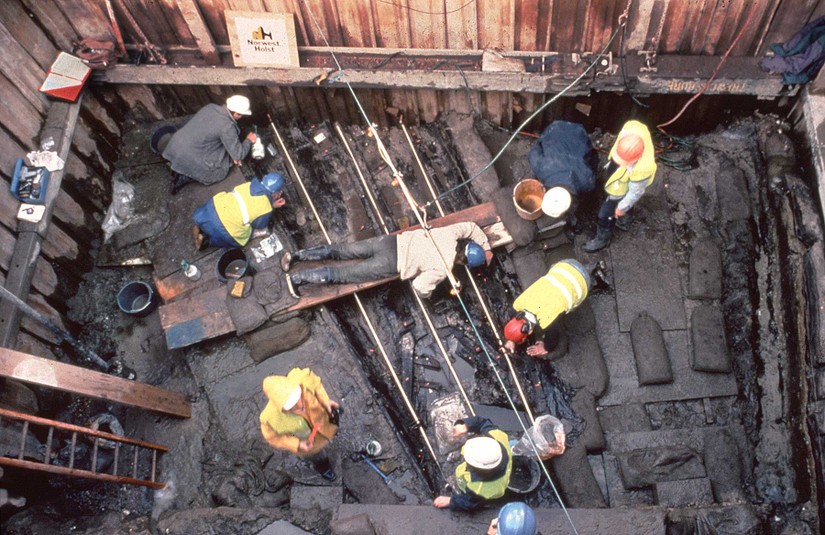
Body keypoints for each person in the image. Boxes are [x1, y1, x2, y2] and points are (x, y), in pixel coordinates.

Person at [281, 221, 494, 298]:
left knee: (340, 251)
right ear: (463, 263)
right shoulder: (444, 268)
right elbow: (420, 287)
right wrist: (429, 294)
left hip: (388, 242)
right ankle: (297, 279)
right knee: (342, 274)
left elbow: (472, 227)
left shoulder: (451, 234)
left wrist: (485, 246)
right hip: (392, 264)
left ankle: (296, 255)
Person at [502, 259, 605, 358]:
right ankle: (589, 267)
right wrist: (511, 339)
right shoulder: (519, 303)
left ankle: (594, 279)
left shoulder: (547, 321)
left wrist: (545, 347)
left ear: (529, 332)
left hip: (582, 282)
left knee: (574, 300)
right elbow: (513, 315)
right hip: (566, 265)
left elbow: (553, 338)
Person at [582, 120, 657, 252]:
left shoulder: (643, 169)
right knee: (614, 173)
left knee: (605, 214)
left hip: (622, 188)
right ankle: (625, 220)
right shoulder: (632, 127)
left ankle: (602, 239)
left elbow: (635, 193)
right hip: (623, 170)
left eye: (624, 162)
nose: (619, 162)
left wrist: (621, 208)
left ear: (636, 158)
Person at [162, 95, 258, 194]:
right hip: (190, 156)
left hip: (176, 146)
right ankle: (185, 176)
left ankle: (179, 167)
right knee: (220, 172)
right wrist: (248, 140)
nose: (241, 117)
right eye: (241, 115)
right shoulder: (227, 126)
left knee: (224, 148)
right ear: (236, 113)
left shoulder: (211, 107)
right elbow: (238, 155)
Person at [259, 368, 341, 481]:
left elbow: (317, 385)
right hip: (310, 442)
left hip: (323, 420)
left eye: (298, 397)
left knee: (332, 426)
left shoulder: (303, 379)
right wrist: (296, 444)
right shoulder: (270, 419)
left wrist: (325, 401)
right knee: (317, 456)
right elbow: (273, 438)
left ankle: (331, 432)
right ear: (281, 408)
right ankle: (323, 467)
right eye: (291, 406)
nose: (300, 405)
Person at [433, 416, 512, 511]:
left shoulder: (479, 488)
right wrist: (466, 425)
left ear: (477, 468)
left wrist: (451, 501)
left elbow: (470, 503)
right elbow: (482, 422)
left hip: (489, 492)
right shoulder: (499, 437)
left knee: (468, 492)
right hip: (502, 475)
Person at [192, 172, 286, 250]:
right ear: (275, 194)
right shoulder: (266, 207)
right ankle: (205, 240)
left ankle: (200, 226)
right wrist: (272, 206)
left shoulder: (248, 185)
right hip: (224, 228)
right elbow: (259, 225)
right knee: (243, 236)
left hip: (210, 209)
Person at [527, 120, 598, 221]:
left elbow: (594, 159)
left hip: (569, 132)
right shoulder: (542, 168)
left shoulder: (586, 182)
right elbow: (533, 153)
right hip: (560, 130)